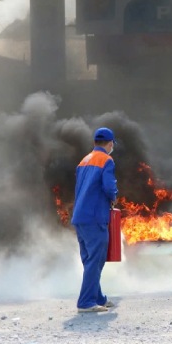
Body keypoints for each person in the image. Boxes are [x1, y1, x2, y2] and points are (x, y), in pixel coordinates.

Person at [71, 127, 119, 312]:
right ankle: (85, 302)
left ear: (94, 143)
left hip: (80, 217)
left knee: (90, 259)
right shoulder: (107, 160)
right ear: (110, 143)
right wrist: (114, 195)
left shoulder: (84, 160)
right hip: (94, 217)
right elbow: (108, 187)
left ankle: (98, 297)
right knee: (96, 260)